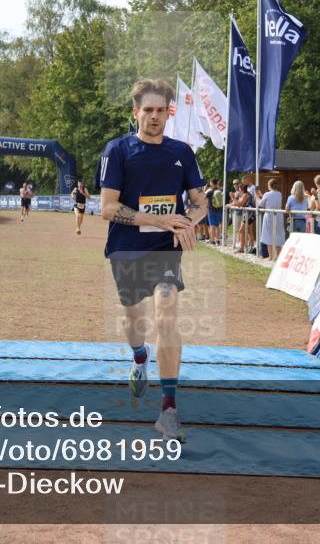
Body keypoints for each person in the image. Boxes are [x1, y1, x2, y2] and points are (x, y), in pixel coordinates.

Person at [99, 78, 207, 443]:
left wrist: (187, 222)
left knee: (166, 316)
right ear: (136, 112)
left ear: (169, 113)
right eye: (148, 110)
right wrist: (158, 219)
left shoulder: (182, 152)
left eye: (161, 110)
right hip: (127, 248)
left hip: (165, 249)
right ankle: (139, 357)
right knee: (135, 322)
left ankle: (168, 411)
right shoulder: (118, 150)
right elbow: (107, 208)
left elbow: (201, 202)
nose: (155, 116)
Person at [258, 178, 286, 260]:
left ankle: (270, 256)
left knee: (268, 235)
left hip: (269, 215)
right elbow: (270, 199)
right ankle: (278, 255)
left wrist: (257, 196)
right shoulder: (279, 194)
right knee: (278, 234)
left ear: (269, 185)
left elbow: (261, 204)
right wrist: (261, 195)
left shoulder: (267, 194)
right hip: (278, 216)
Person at [206, 180, 223, 244]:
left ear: (212, 184)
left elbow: (203, 197)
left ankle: (212, 240)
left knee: (212, 226)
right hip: (218, 210)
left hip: (211, 210)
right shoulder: (220, 191)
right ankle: (217, 240)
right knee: (217, 225)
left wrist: (205, 189)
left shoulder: (210, 192)